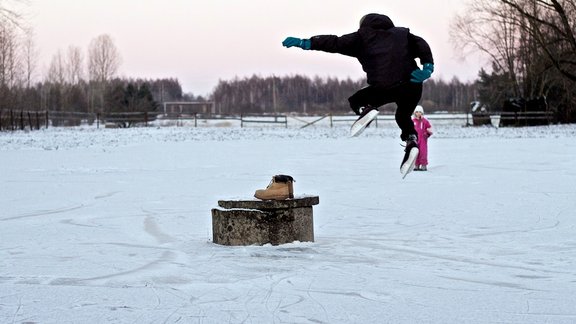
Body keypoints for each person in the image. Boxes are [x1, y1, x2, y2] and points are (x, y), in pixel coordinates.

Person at [282, 13, 434, 175]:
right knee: (402, 116)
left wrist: (306, 43)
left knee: (356, 100)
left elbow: (335, 42)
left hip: (384, 87)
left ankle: (365, 109)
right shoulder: (402, 34)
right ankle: (411, 141)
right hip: (412, 84)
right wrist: (428, 66)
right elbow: (422, 44)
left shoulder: (362, 37)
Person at [412, 105, 433, 171]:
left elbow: (430, 128)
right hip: (415, 140)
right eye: (417, 112)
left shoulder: (425, 121)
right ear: (415, 113)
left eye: (420, 112)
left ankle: (423, 165)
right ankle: (416, 165)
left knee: (423, 152)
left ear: (422, 113)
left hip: (423, 140)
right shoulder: (413, 121)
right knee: (415, 152)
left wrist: (427, 134)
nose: (418, 113)